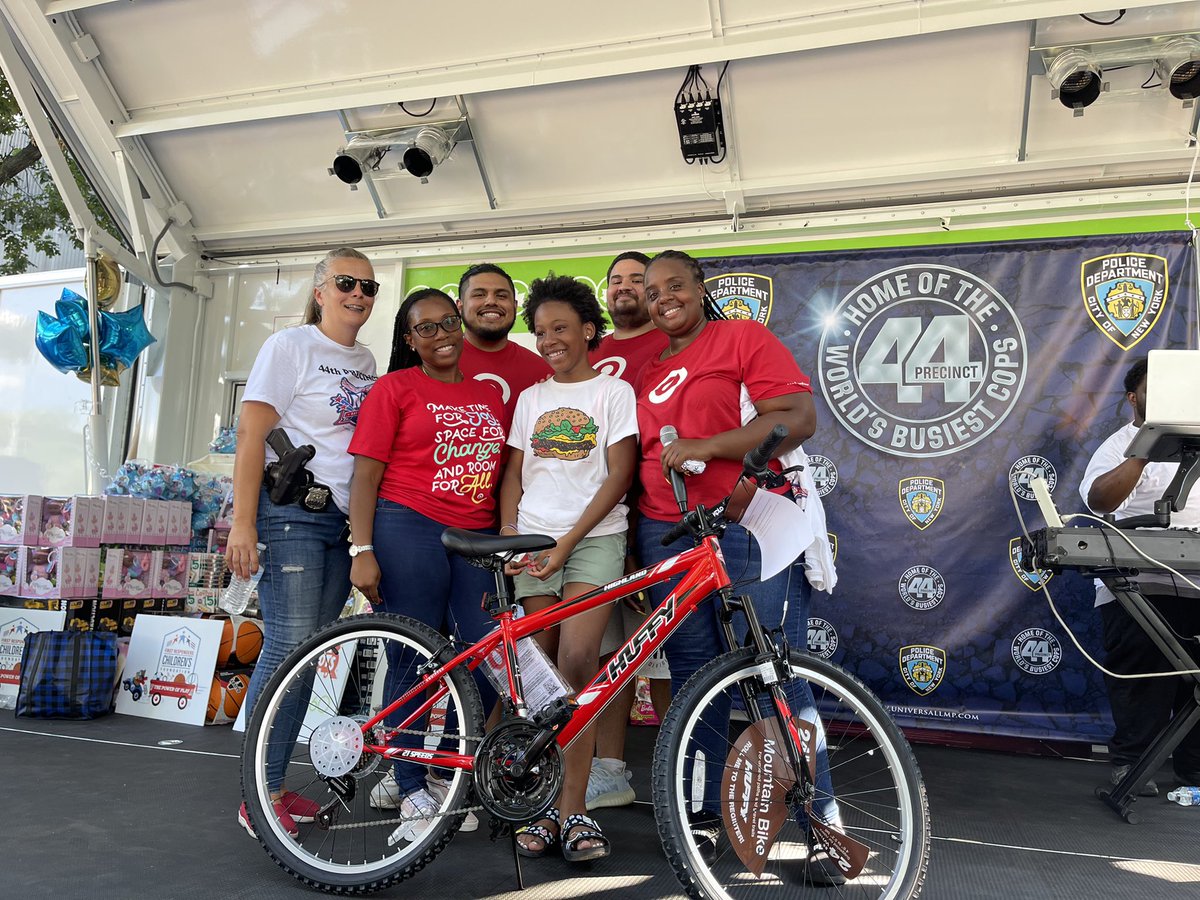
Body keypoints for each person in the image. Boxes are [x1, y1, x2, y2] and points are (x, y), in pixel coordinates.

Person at [632, 249, 843, 883]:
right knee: (696, 679)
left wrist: (707, 447)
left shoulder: (741, 337)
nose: (663, 296)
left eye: (675, 284)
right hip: (667, 532)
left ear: (700, 287)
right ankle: (697, 821)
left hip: (748, 525)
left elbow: (796, 419)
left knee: (776, 674)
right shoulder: (648, 367)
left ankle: (822, 827)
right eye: (651, 289)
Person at [227, 247, 379, 838]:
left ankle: (273, 788)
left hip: (341, 522)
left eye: (367, 286)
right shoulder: (289, 346)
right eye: (346, 283)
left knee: (309, 655)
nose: (358, 295)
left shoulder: (365, 357)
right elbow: (251, 434)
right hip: (291, 514)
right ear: (320, 291)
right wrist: (243, 524)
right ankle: (257, 794)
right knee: (289, 648)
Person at [347, 287, 506, 844]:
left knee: (489, 658)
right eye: (426, 328)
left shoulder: (489, 395)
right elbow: (364, 475)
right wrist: (360, 549)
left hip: (476, 535)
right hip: (406, 525)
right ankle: (412, 789)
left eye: (448, 323)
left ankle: (444, 771)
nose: (441, 336)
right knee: (414, 656)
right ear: (409, 340)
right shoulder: (395, 388)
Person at [497, 274, 637, 863]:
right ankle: (539, 806)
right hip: (532, 542)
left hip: (595, 540)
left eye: (561, 328)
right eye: (541, 331)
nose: (550, 340)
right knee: (544, 678)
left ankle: (573, 811)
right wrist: (511, 536)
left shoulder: (613, 393)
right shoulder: (530, 399)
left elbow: (619, 474)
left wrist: (568, 541)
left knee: (581, 664)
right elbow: (512, 474)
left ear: (588, 330)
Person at [1079, 356, 1200, 796]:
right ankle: (1133, 765)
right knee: (1143, 673)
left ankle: (1194, 775)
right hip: (1138, 580)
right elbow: (1100, 501)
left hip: (1197, 583)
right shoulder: (1117, 445)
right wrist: (1144, 452)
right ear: (1133, 398)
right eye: (1156, 388)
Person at [586, 250, 672, 811]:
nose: (623, 289)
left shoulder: (669, 344)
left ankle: (679, 770)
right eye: (614, 280)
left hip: (656, 517)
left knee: (666, 646)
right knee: (610, 650)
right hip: (599, 522)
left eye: (635, 281)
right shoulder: (589, 351)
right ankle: (610, 770)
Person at [455, 262, 551, 426]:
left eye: (501, 296)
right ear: (459, 306)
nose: (491, 301)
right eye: (479, 295)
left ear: (514, 306)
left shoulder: (543, 372)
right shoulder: (434, 366)